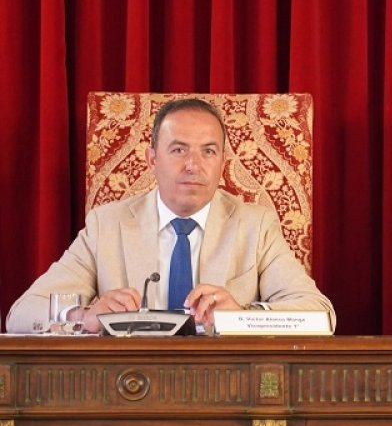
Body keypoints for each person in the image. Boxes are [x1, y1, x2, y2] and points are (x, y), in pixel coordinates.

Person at [6, 98, 336, 334]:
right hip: (129, 392)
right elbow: (22, 314)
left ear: (223, 163)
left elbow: (320, 315)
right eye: (178, 149)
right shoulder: (106, 225)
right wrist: (84, 317)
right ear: (152, 160)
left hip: (227, 392)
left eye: (208, 151)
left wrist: (242, 316)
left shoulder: (256, 225)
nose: (193, 164)